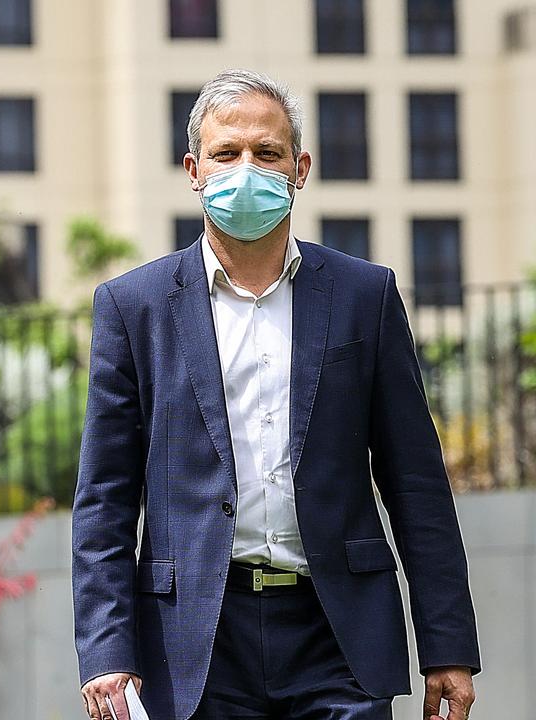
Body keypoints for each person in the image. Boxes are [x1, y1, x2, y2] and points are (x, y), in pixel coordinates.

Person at [71, 69, 480, 720]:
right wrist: (106, 653)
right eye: (226, 154)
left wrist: (447, 646)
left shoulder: (363, 296)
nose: (246, 169)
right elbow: (105, 500)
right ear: (193, 169)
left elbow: (417, 485)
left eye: (267, 153)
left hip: (339, 633)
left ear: (300, 167)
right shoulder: (134, 308)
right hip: (195, 641)